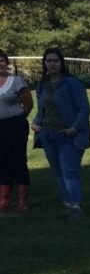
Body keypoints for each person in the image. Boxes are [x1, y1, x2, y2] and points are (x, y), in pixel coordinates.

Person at [30, 47, 90, 220]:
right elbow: (42, 108)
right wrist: (36, 123)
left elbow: (84, 109)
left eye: (55, 61)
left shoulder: (72, 83)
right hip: (47, 135)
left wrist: (75, 128)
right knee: (58, 173)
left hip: (67, 135)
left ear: (61, 63)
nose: (52, 64)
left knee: (70, 172)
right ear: (44, 63)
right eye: (48, 61)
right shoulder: (42, 84)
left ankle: (76, 207)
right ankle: (67, 204)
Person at [0, 50, 33, 212]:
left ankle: (22, 201)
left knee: (18, 161)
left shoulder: (16, 81)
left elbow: (28, 103)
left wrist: (18, 119)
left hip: (14, 125)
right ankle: (4, 199)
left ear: (6, 62)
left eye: (1, 60)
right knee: (2, 162)